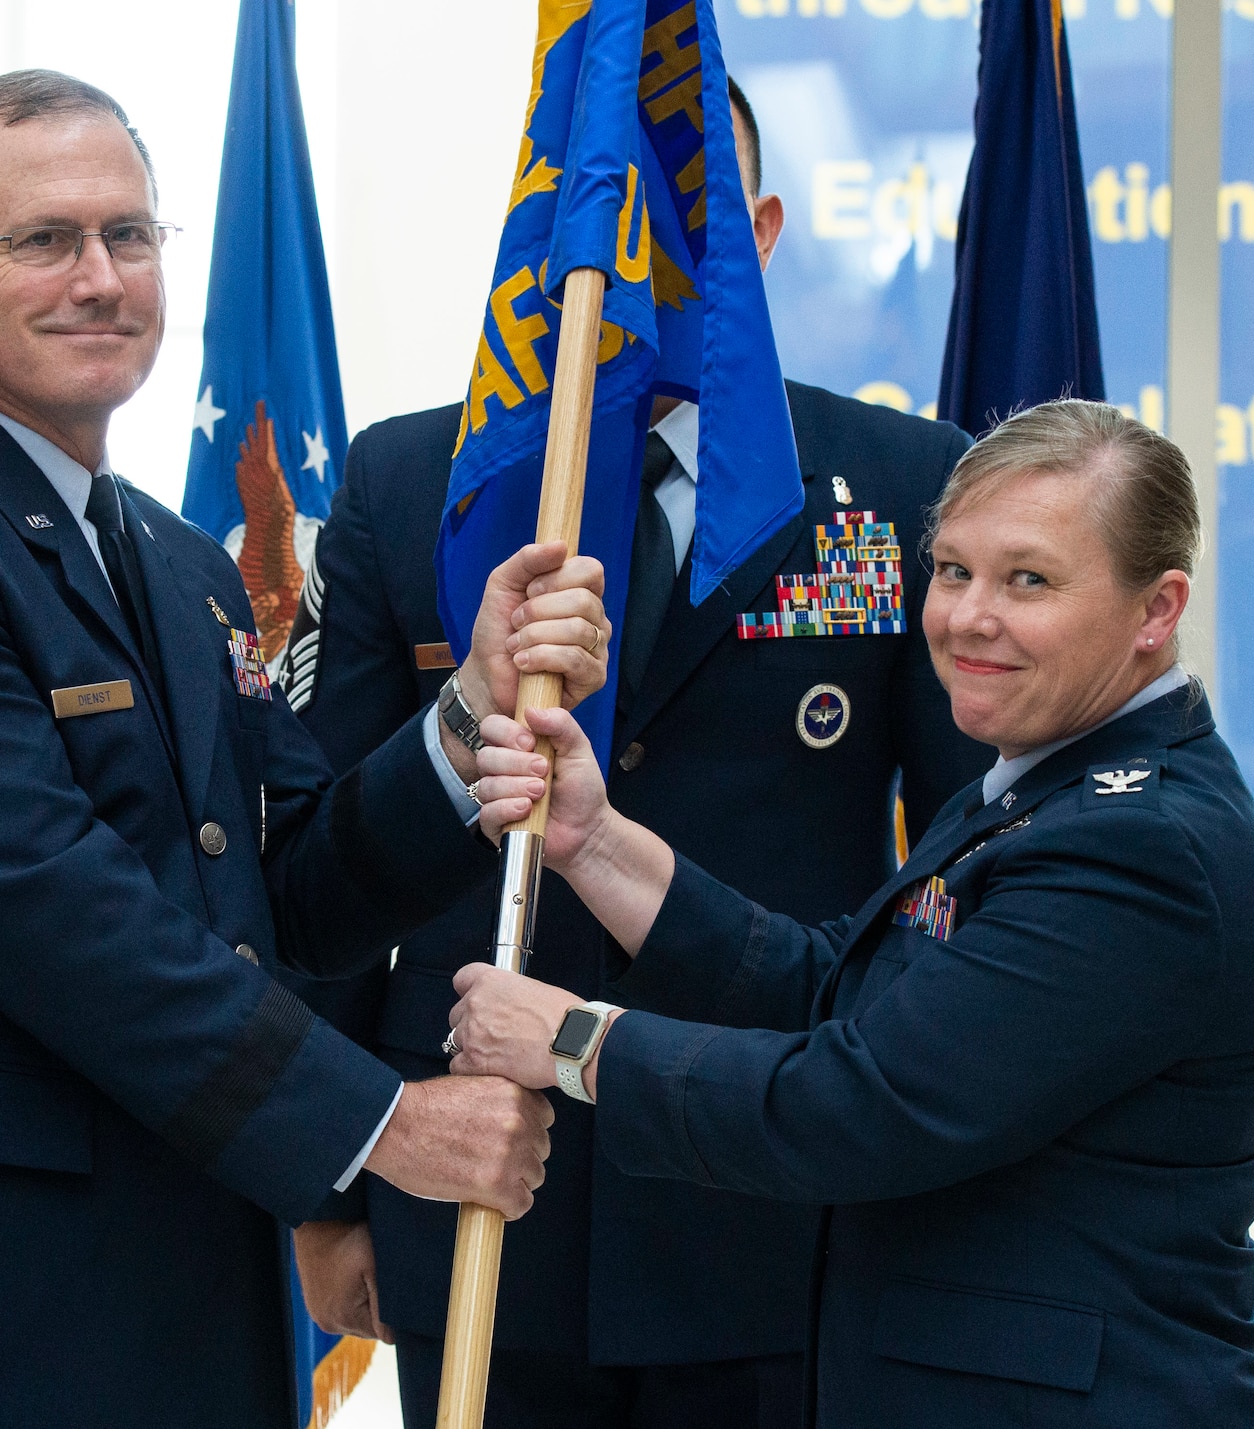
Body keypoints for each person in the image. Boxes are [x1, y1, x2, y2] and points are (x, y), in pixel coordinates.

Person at [0, 71, 615, 1427]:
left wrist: (466, 715)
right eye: (44, 241)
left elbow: (286, 881)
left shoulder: (185, 562)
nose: (100, 278)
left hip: (192, 1285)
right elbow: (66, 918)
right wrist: (387, 1123)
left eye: (129, 236)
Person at [287, 81, 991, 1427]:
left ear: (764, 232)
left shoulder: (902, 485)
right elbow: (319, 878)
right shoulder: (416, 482)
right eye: (599, 210)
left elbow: (956, 871)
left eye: (688, 213)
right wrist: (326, 1188)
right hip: (485, 1207)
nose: (629, 253)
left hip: (772, 1207)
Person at [448, 400, 1254, 1427]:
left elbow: (864, 1104)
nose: (965, 617)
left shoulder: (1141, 847)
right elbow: (842, 987)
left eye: (1026, 580)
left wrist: (568, 1041)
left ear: (1154, 609)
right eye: (951, 570)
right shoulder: (1034, 779)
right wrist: (595, 845)